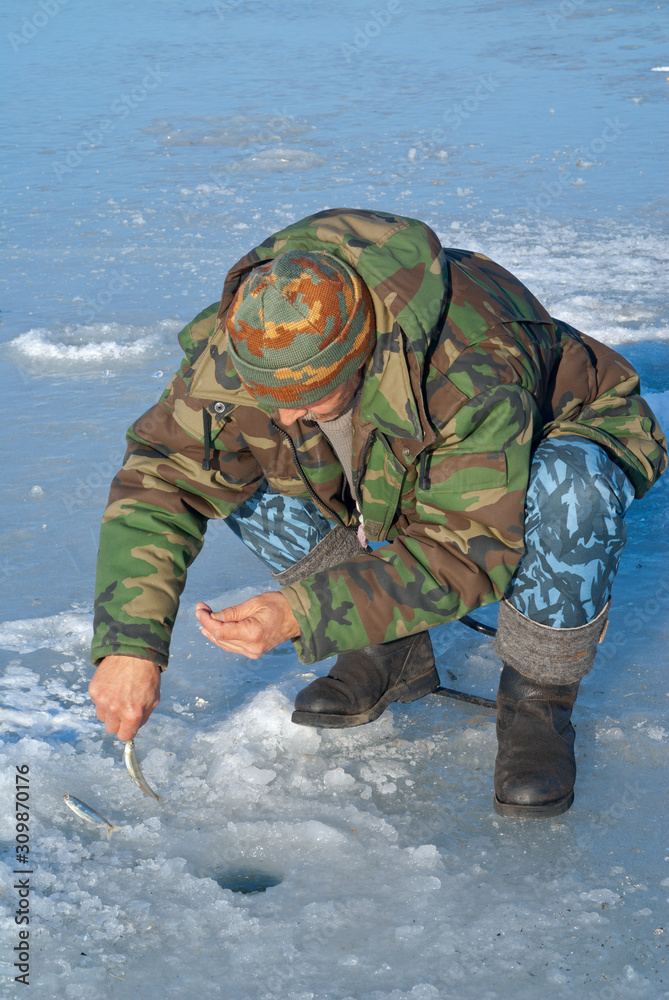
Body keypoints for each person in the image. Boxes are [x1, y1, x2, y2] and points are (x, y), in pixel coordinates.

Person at [88, 208, 666, 818]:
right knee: (227, 461)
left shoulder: (471, 363)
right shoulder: (250, 340)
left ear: (359, 356)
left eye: (306, 397)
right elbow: (160, 476)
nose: (285, 415)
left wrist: (302, 610)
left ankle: (537, 701)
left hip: (537, 444)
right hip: (399, 466)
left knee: (570, 492)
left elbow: (464, 550)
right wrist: (131, 645)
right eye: (269, 397)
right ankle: (390, 649)